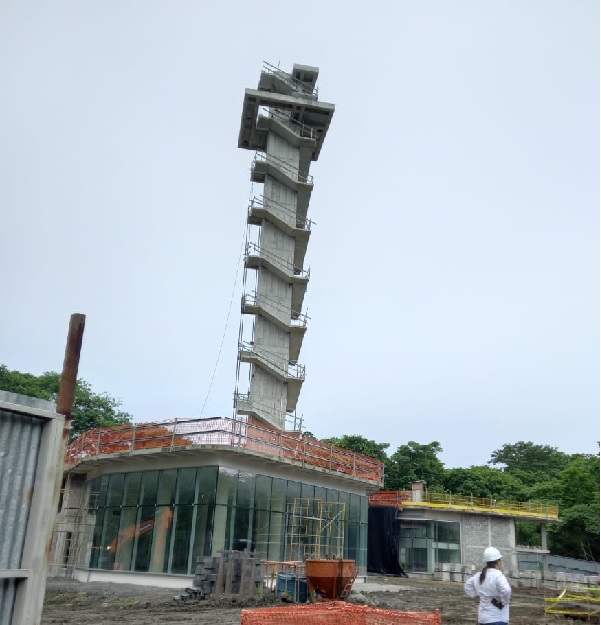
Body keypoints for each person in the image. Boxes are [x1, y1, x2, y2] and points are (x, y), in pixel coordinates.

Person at [465, 547, 512, 625]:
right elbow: (507, 590)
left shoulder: (478, 575)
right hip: (497, 618)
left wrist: (476, 594)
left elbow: (468, 586)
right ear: (497, 561)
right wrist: (503, 601)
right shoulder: (498, 576)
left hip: (483, 618)